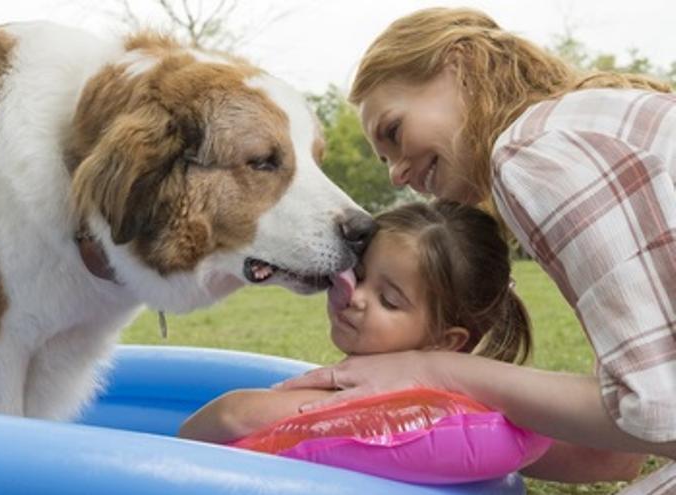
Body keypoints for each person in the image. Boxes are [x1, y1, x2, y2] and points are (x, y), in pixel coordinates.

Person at [275, 7, 675, 491]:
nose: (396, 174)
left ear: (459, 64)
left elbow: (655, 417)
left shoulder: (533, 153)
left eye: (395, 132)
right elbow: (616, 455)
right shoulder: (586, 119)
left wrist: (437, 370)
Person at [179, 200, 532, 444]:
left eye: (389, 300)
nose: (358, 296)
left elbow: (232, 415)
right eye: (358, 275)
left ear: (445, 342)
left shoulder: (408, 404)